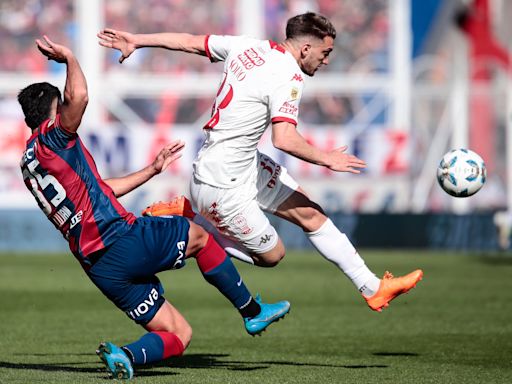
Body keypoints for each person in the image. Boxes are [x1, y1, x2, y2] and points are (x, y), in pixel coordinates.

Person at [97, 12, 423, 313]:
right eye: (325, 53)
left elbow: (189, 42)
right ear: (306, 47)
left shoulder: (246, 46)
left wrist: (139, 40)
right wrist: (327, 159)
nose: (326, 60)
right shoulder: (288, 77)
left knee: (310, 213)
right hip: (221, 183)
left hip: (242, 166)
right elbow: (284, 139)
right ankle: (190, 216)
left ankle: (372, 287)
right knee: (272, 256)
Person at [18, 35, 290, 380]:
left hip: (100, 267)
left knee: (178, 334)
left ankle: (126, 354)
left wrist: (151, 170)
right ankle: (252, 311)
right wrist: (70, 56)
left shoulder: (31, 161)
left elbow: (100, 191)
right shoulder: (55, 138)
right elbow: (80, 97)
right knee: (200, 237)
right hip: (119, 238)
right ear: (55, 111)